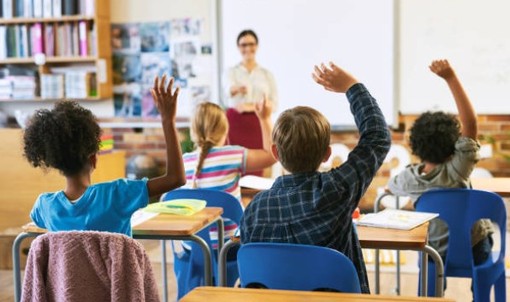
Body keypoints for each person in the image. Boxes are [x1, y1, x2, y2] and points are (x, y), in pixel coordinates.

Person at [240, 62, 391, 293]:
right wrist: (352, 86)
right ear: (327, 155)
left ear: (275, 154)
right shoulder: (336, 190)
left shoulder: (254, 210)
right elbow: (378, 137)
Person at [25, 75, 186, 237]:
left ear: (55, 163)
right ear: (93, 158)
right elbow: (176, 178)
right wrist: (167, 120)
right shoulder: (117, 195)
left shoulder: (45, 206)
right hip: (117, 264)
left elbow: (38, 220)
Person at [387, 60, 494, 292]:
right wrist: (450, 77)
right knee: (483, 241)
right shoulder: (458, 170)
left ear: (415, 147)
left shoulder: (409, 179)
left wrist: (393, 191)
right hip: (473, 244)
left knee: (426, 258)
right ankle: (481, 294)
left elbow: (390, 187)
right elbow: (471, 123)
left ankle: (429, 294)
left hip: (433, 251)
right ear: (455, 145)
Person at [181, 99, 276, 249]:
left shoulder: (183, 162)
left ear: (193, 131)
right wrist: (265, 119)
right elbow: (272, 155)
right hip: (228, 246)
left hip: (192, 247)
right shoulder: (232, 155)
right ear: (225, 130)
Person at [225, 29, 278, 176]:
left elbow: (274, 103)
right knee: (235, 164)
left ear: (257, 46)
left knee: (261, 162)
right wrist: (235, 89)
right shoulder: (231, 72)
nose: (247, 48)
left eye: (251, 44)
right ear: (238, 47)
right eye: (243, 45)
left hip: (259, 122)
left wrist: (252, 106)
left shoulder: (267, 74)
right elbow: (226, 94)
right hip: (235, 123)